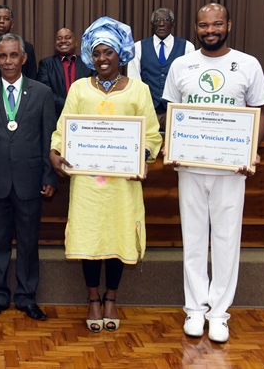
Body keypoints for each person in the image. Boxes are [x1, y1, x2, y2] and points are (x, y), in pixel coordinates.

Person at [162, 3, 264, 343]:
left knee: (226, 241)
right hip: (190, 167)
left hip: (230, 168)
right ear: (196, 27)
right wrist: (172, 146)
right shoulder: (182, 64)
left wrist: (250, 150)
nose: (211, 30)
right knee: (193, 240)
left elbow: (260, 114)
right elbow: (171, 113)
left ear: (229, 25)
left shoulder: (248, 64)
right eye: (204, 25)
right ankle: (194, 310)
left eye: (217, 24)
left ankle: (219, 314)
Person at [49, 17, 162, 333]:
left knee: (116, 236)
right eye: (96, 53)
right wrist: (55, 152)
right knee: (90, 237)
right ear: (89, 55)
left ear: (121, 54)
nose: (102, 59)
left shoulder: (138, 90)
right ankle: (92, 298)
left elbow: (151, 135)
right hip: (87, 184)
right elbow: (63, 127)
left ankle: (111, 297)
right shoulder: (79, 88)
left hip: (122, 184)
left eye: (108, 52)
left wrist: (140, 158)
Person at [0, 33, 57, 321]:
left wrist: (49, 176)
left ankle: (27, 297)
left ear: (24, 57)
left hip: (30, 180)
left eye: (13, 55)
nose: (8, 61)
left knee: (29, 242)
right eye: (3, 56)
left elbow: (49, 139)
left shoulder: (42, 92)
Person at [127, 7, 195, 128]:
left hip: (177, 114)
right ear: (152, 24)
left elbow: (189, 84)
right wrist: (148, 110)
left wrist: (175, 110)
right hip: (147, 111)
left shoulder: (187, 47)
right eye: (157, 20)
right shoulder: (138, 47)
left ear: (173, 23)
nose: (162, 24)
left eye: (166, 20)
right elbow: (134, 83)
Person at [37, 27, 95, 118]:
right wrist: (69, 106)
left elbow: (95, 89)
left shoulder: (88, 64)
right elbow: (45, 91)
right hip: (55, 116)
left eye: (67, 37)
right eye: (59, 39)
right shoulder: (46, 64)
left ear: (75, 42)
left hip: (84, 116)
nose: (63, 41)